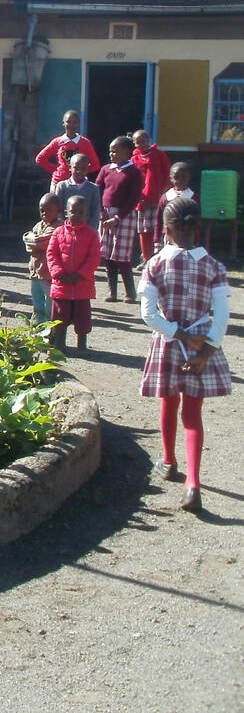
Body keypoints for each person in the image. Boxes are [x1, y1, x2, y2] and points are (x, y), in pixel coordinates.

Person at [139, 197, 231, 513]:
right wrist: (205, 351)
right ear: (198, 229)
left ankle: (168, 462)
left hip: (169, 342)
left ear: (165, 230)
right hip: (201, 346)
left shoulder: (155, 265)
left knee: (169, 401)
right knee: (193, 415)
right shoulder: (214, 267)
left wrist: (179, 334)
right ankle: (193, 482)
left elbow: (148, 314)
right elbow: (222, 317)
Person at [46, 195, 101, 353]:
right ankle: (59, 344)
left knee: (82, 318)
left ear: (87, 214)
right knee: (59, 317)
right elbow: (51, 254)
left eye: (81, 212)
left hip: (82, 285)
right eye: (73, 211)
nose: (76, 215)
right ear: (66, 212)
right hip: (61, 285)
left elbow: (94, 258)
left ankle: (82, 346)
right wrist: (59, 273)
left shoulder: (92, 235)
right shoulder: (58, 232)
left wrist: (81, 275)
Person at [96, 136, 144, 303]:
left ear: (126, 152)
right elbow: (98, 190)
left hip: (124, 216)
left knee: (121, 256)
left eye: (115, 151)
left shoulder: (134, 173)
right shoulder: (106, 169)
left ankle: (130, 292)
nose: (111, 154)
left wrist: (117, 217)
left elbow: (133, 198)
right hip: (105, 215)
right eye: (110, 151)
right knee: (108, 255)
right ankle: (112, 291)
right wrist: (102, 213)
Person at [131, 129, 170, 267]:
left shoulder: (159, 155)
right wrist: (137, 197)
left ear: (148, 141)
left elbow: (167, 174)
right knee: (144, 230)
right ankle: (146, 258)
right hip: (143, 201)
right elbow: (133, 180)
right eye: (138, 142)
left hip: (158, 199)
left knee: (157, 229)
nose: (141, 144)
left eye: (143, 141)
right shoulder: (134, 159)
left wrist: (163, 194)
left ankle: (158, 259)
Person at [23, 193, 63, 324]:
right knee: (37, 303)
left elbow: (40, 242)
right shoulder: (38, 225)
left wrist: (32, 241)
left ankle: (49, 329)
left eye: (49, 210)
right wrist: (32, 242)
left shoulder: (59, 227)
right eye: (42, 210)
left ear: (59, 210)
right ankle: (38, 327)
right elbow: (29, 244)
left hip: (48, 274)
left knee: (50, 305)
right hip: (35, 272)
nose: (45, 213)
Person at [36, 110, 101, 190]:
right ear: (63, 123)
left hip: (78, 184)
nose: (71, 125)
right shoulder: (57, 141)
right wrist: (56, 170)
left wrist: (81, 172)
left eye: (74, 122)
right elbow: (40, 158)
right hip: (58, 183)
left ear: (78, 124)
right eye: (68, 122)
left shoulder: (85, 143)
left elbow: (95, 165)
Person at [154, 162, 196, 250]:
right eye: (176, 177)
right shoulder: (166, 197)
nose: (180, 180)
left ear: (189, 177)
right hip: (169, 237)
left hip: (188, 238)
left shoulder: (193, 198)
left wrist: (196, 241)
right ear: (171, 178)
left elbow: (197, 221)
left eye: (183, 177)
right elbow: (159, 220)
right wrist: (157, 240)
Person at [54, 153, 101, 232]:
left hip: (86, 232)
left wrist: (89, 231)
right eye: (76, 168)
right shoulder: (62, 186)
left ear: (88, 168)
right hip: (66, 231)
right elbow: (58, 211)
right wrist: (63, 229)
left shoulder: (93, 188)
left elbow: (95, 213)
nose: (79, 171)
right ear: (70, 167)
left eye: (83, 168)